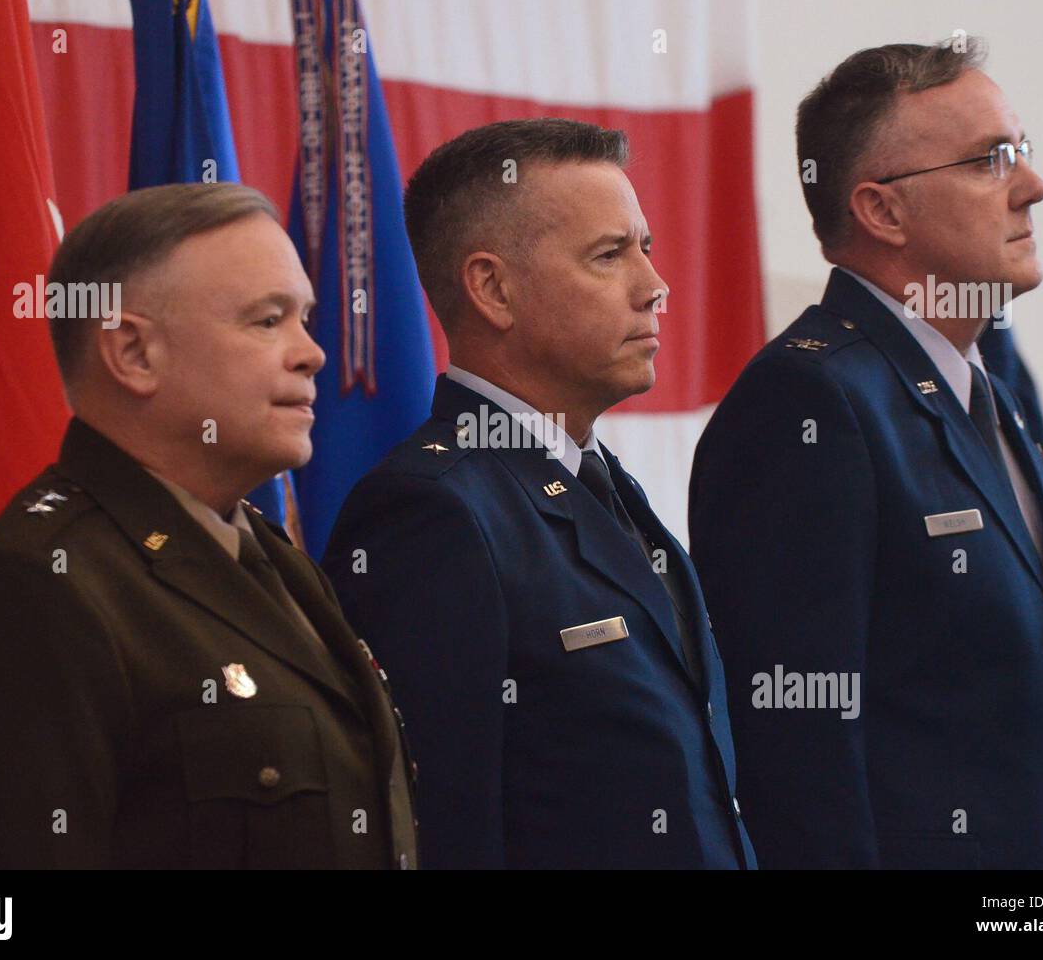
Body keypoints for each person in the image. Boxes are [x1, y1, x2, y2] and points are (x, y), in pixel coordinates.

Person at [0, 183, 417, 869]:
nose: (311, 352)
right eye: (266, 320)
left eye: (305, 318)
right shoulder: (25, 593)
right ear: (132, 353)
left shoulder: (275, 563)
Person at [690, 40, 1043, 868]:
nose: (1033, 186)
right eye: (992, 161)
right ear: (882, 211)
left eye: (1022, 153)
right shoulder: (808, 405)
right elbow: (798, 762)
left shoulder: (994, 393)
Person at [322, 118, 755, 869]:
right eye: (608, 255)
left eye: (644, 248)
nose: (654, 286)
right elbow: (447, 828)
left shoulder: (603, 484)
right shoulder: (434, 511)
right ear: (492, 288)